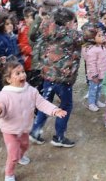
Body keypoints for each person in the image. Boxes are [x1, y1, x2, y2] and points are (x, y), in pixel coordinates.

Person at [0, 61, 67, 181]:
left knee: (25, 146)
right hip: (9, 130)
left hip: (25, 128)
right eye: (17, 73)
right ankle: (9, 174)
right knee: (13, 154)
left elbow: (41, 103)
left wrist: (55, 110)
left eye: (23, 72)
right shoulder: (4, 95)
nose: (23, 75)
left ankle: (21, 157)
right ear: (9, 79)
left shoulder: (31, 90)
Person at [29, 8, 82, 148]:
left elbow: (33, 35)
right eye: (72, 21)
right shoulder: (72, 35)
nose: (74, 24)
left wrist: (44, 17)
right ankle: (59, 137)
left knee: (45, 103)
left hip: (48, 76)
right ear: (68, 23)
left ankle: (35, 132)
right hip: (63, 80)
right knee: (66, 105)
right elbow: (90, 34)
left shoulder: (48, 32)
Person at [81, 25, 106, 112]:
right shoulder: (92, 50)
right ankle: (91, 103)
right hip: (95, 75)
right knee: (93, 89)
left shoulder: (101, 47)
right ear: (92, 39)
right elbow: (91, 64)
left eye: (102, 35)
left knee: (99, 88)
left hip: (102, 73)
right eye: (99, 36)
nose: (103, 36)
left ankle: (97, 101)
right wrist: (94, 75)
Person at [18, 7, 37, 80]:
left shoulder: (33, 27)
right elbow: (23, 45)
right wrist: (35, 52)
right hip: (28, 63)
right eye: (32, 17)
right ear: (26, 18)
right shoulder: (24, 30)